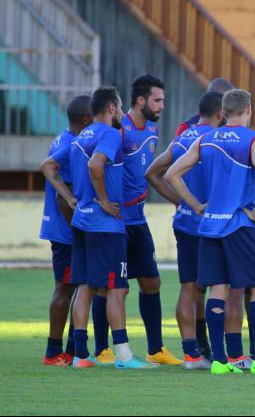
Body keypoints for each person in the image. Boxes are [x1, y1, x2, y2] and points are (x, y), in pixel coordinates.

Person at [166, 89, 255, 375]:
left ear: (223, 112)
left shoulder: (205, 138)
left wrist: (196, 206)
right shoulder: (254, 139)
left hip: (209, 226)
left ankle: (219, 361)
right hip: (238, 225)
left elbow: (171, 174)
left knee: (218, 288)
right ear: (248, 108)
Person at [42, 87, 154, 369]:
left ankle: (80, 354)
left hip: (80, 222)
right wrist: (104, 200)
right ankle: (124, 356)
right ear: (113, 109)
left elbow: (48, 166)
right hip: (105, 225)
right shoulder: (110, 134)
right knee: (118, 288)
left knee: (85, 286)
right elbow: (96, 165)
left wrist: (70, 199)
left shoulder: (81, 136)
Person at [145, 91, 223, 369]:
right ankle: (221, 353)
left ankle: (191, 354)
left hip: (185, 223)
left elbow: (152, 173)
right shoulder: (216, 140)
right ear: (220, 113)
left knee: (188, 288)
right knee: (220, 287)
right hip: (212, 224)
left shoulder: (184, 137)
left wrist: (180, 202)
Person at [118, 74, 181, 365]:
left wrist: (179, 201)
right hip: (115, 222)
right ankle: (105, 349)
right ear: (141, 100)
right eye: (158, 99)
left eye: (164, 100)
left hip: (138, 221)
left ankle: (155, 349)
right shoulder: (120, 130)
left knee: (152, 282)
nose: (162, 105)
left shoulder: (153, 131)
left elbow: (149, 175)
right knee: (112, 286)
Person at [39, 95, 92, 366]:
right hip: (67, 231)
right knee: (66, 287)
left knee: (73, 286)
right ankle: (54, 351)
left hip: (60, 229)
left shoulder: (62, 139)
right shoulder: (74, 145)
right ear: (86, 119)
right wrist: (81, 228)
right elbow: (65, 196)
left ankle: (69, 349)